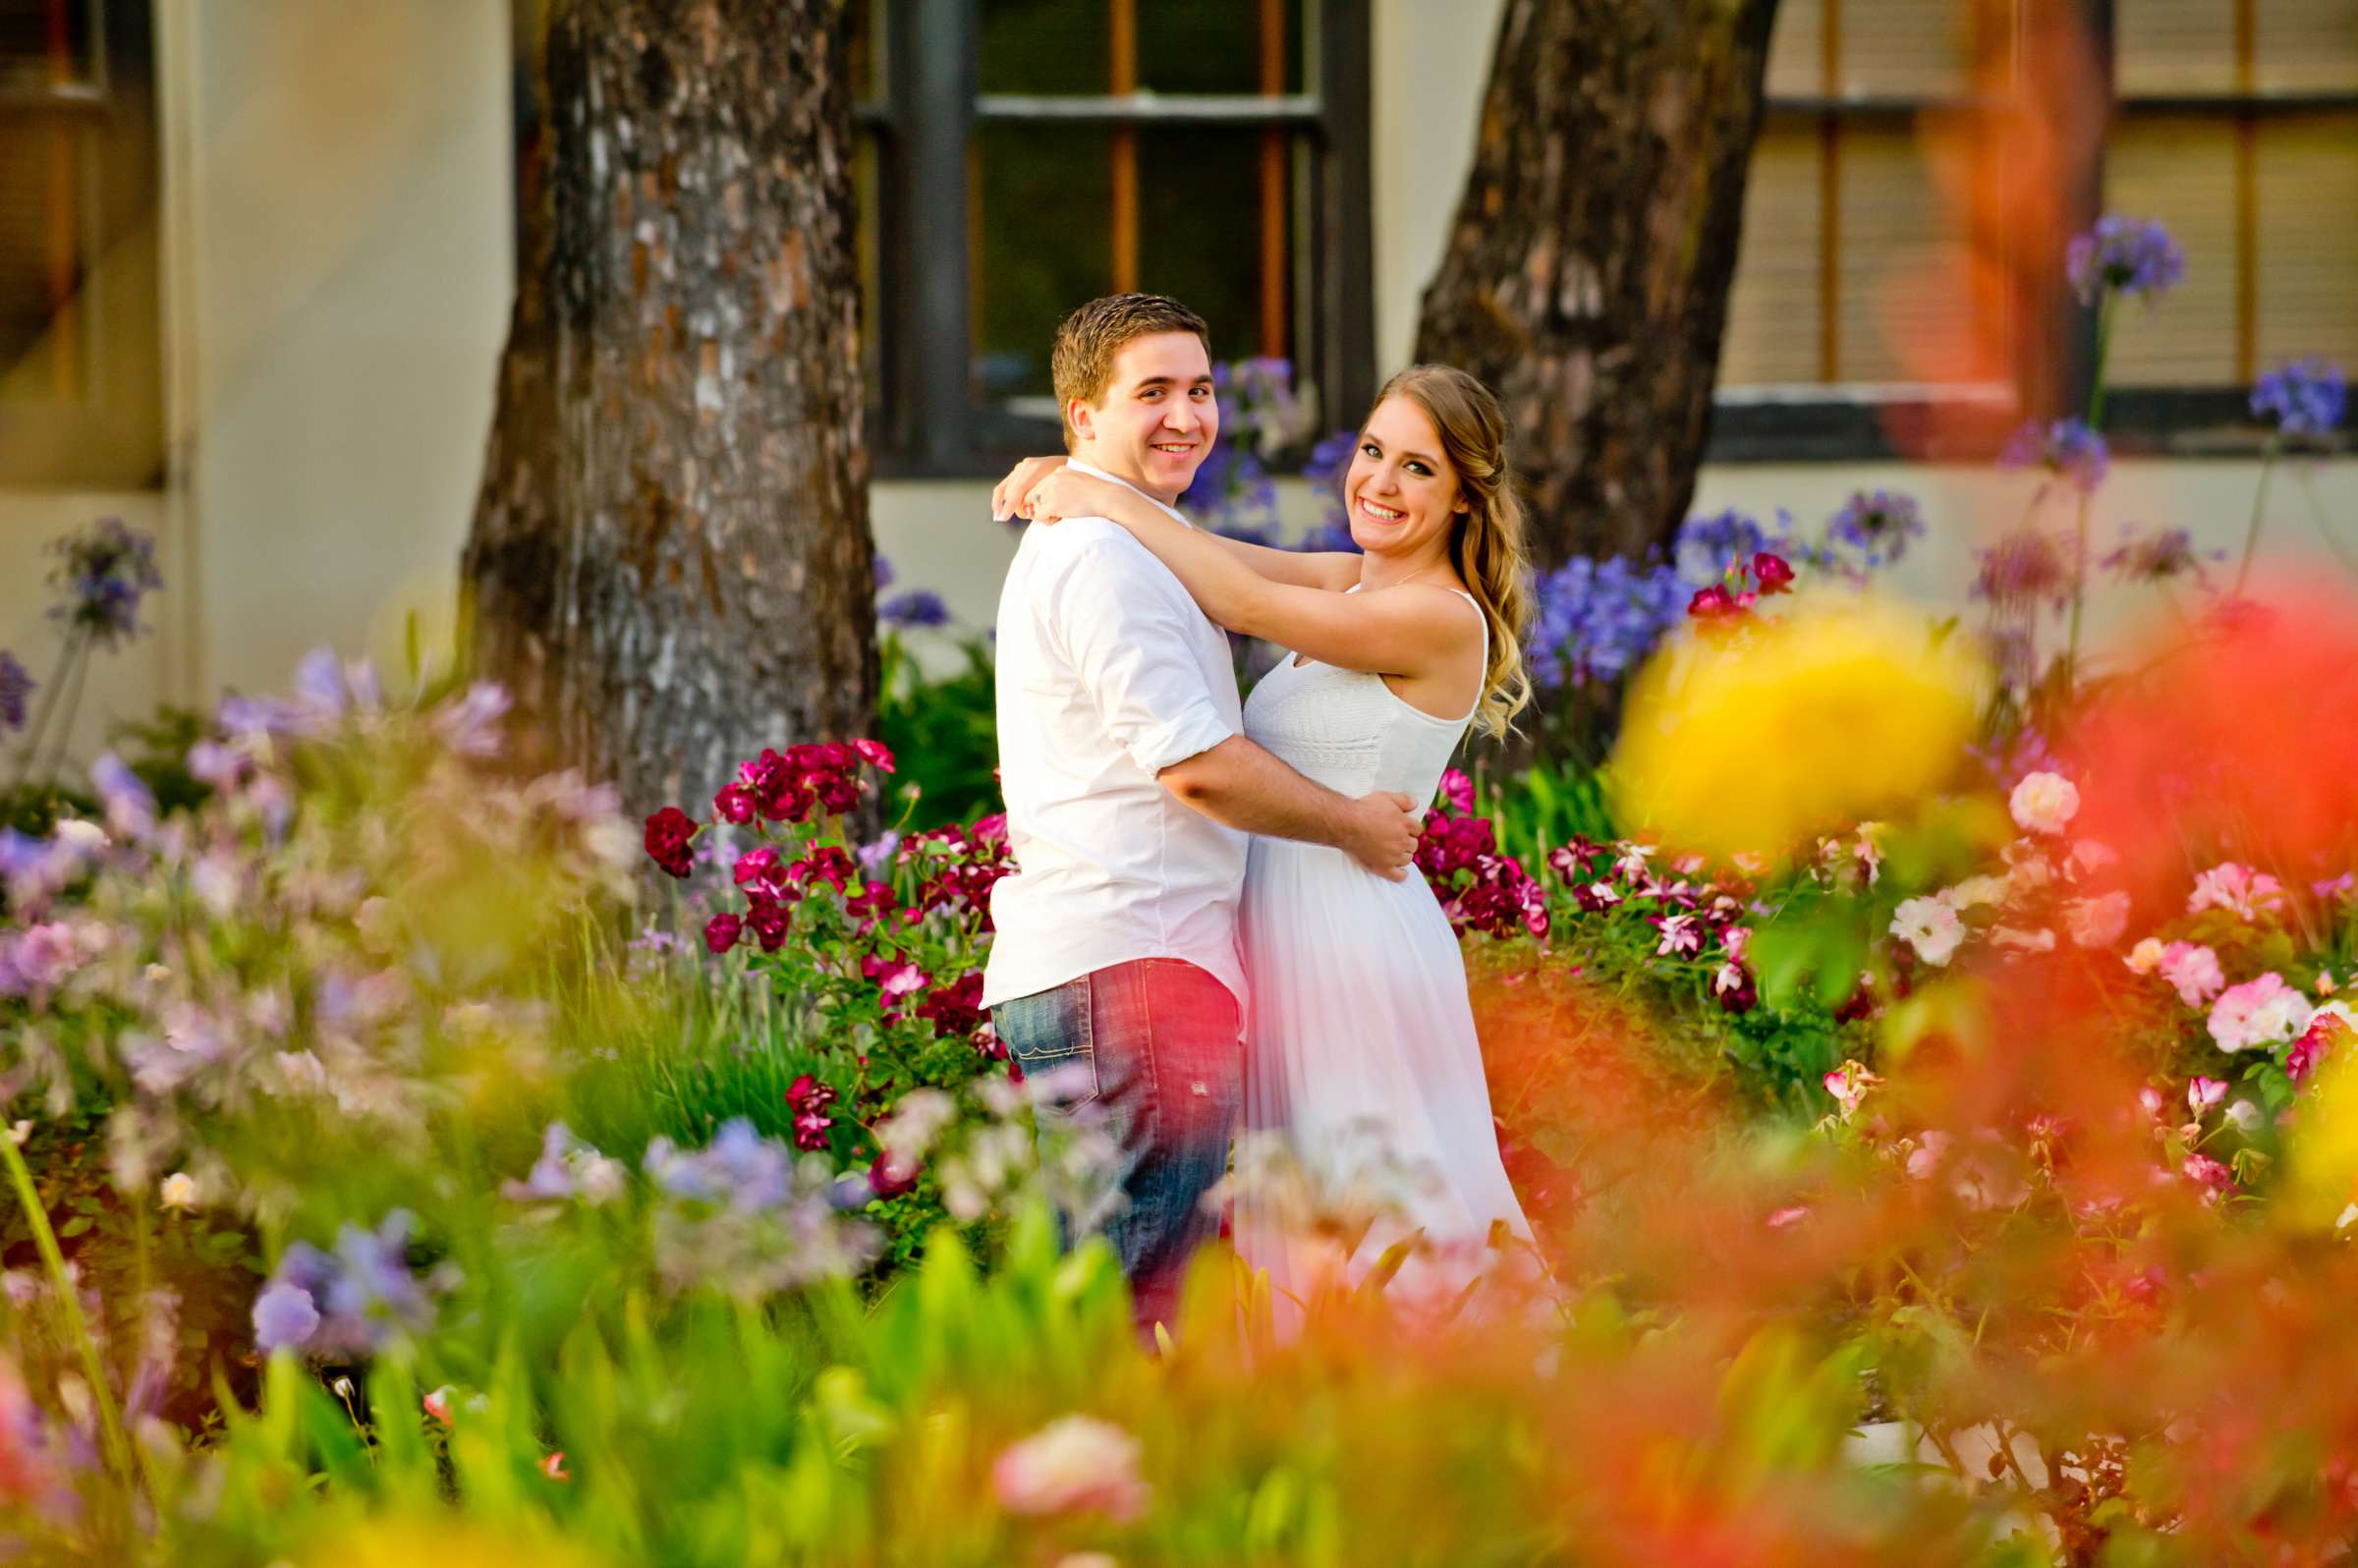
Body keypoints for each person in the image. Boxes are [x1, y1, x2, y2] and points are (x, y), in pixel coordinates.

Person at [993, 364, 1540, 1325]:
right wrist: (1086, 476)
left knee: (1385, 1194)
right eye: (1373, 451)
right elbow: (1203, 558)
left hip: (1354, 939)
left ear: (1463, 498)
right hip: (1285, 942)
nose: (1380, 483)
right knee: (1308, 1214)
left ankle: (1460, 1420)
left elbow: (1238, 603)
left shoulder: (1437, 616)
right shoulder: (1351, 578)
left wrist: (1092, 491)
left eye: (1419, 469)